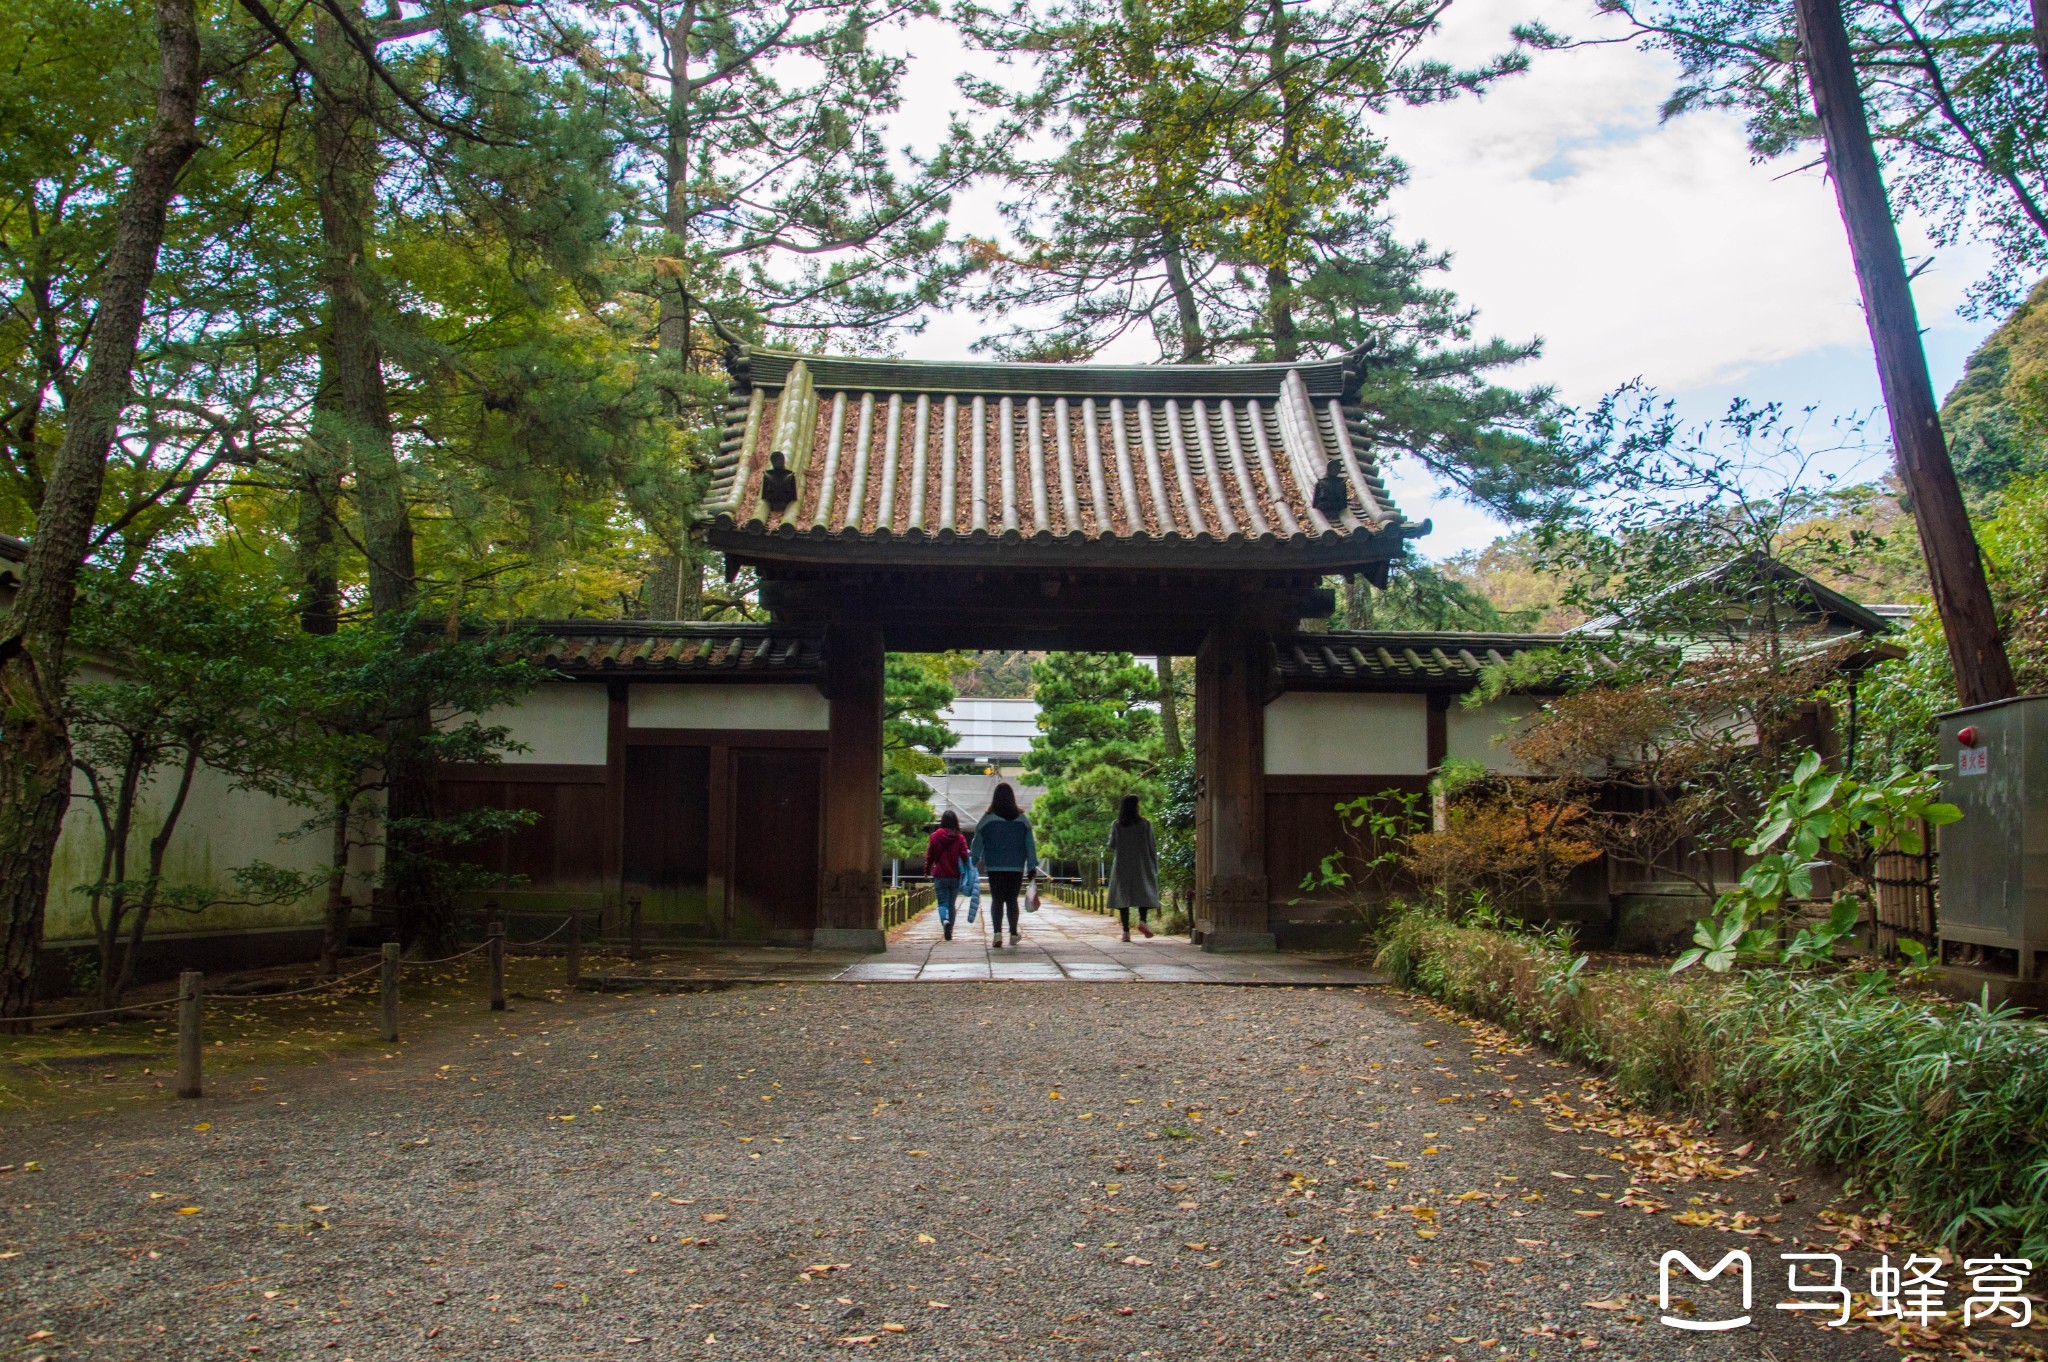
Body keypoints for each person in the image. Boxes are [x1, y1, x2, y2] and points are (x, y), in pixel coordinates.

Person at [972, 782, 1038, 948]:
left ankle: (997, 933)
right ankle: (1014, 933)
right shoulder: (1022, 819)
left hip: (995, 865)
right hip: (1016, 866)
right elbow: (1030, 844)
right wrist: (1031, 865)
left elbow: (977, 840)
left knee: (997, 899)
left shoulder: (987, 818)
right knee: (1012, 900)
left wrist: (974, 860)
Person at [1105, 793, 1160, 942]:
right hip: (1142, 864)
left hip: (1122, 865)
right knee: (1143, 893)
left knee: (1123, 897)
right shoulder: (1145, 824)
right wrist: (1155, 865)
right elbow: (1152, 846)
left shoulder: (1117, 824)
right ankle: (1143, 920)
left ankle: (1125, 932)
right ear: (1136, 806)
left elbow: (1111, 845)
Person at [925, 811, 972, 941]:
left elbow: (930, 856)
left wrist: (927, 870)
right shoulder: (960, 838)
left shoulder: (935, 836)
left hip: (940, 875)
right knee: (951, 904)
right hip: (955, 875)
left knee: (942, 903)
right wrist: (969, 870)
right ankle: (950, 929)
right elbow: (964, 856)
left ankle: (945, 921)